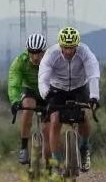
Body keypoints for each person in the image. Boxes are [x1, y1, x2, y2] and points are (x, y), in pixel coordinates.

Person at [38, 26, 100, 173]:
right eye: (65, 47)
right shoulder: (51, 54)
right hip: (57, 89)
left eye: (72, 47)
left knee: (84, 116)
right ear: (60, 45)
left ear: (77, 45)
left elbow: (93, 75)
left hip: (79, 87)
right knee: (55, 120)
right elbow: (43, 78)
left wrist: (94, 96)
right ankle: (57, 161)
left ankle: (84, 149)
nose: (68, 51)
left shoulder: (85, 52)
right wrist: (46, 94)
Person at [7, 33, 50, 165]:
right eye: (32, 52)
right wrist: (15, 101)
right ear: (27, 51)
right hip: (30, 90)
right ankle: (24, 147)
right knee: (28, 107)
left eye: (39, 53)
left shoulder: (51, 60)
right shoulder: (20, 61)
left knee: (48, 129)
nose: (35, 57)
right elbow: (14, 83)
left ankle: (51, 161)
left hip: (47, 91)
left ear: (44, 52)